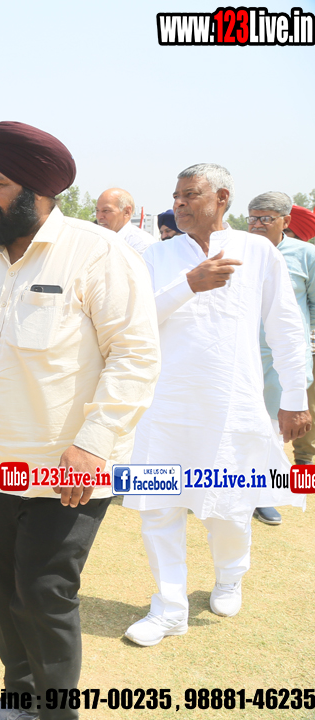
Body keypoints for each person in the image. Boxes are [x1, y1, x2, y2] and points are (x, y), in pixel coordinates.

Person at [0, 122, 160, 720]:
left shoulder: (98, 252)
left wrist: (95, 445)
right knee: (5, 590)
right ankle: (20, 699)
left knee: (44, 591)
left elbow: (134, 355)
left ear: (38, 191)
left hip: (66, 467)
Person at [123, 165, 309, 647]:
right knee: (158, 508)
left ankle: (230, 577)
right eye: (176, 196)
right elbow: (134, 323)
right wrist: (189, 284)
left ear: (222, 197)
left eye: (190, 195)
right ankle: (168, 609)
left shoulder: (257, 251)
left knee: (228, 506)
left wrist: (294, 396)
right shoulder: (157, 255)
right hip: (165, 404)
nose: (179, 204)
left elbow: (285, 326)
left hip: (233, 403)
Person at [248, 192, 315, 526]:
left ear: (286, 221)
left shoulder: (306, 255)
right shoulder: (242, 252)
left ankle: (266, 496)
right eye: (252, 218)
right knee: (247, 426)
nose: (257, 225)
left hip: (286, 360)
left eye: (265, 218)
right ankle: (242, 490)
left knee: (279, 431)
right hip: (245, 356)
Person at [285, 204, 315, 465]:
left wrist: (299, 330)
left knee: (306, 431)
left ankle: (303, 478)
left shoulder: (307, 257)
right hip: (267, 351)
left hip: (307, 352)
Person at [96, 187, 156, 253]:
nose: (99, 216)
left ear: (127, 212)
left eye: (106, 210)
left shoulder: (142, 244)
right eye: (97, 210)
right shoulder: (95, 240)